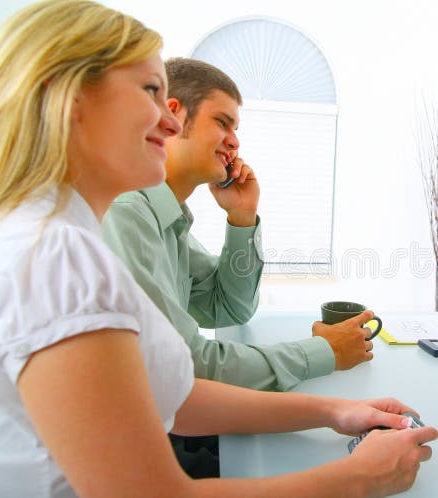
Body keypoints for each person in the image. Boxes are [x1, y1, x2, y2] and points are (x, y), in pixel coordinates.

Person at [0, 1, 437, 496]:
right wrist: (358, 477)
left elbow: (178, 393)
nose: (171, 122)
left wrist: (334, 411)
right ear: (69, 98)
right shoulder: (56, 255)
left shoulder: (64, 233)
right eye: (152, 91)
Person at [100, 56, 376, 476]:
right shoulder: (127, 212)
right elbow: (190, 365)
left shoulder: (165, 217)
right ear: (174, 113)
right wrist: (323, 353)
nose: (234, 142)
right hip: (145, 447)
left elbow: (228, 307)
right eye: (223, 122)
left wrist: (242, 218)